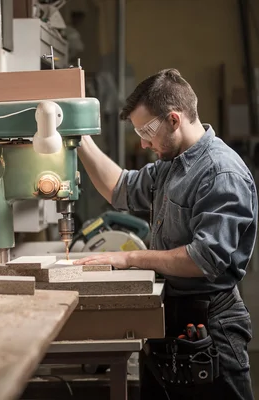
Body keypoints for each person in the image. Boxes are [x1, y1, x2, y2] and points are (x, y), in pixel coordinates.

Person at [73, 68, 256, 399]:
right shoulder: (171, 164)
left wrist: (130, 257)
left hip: (210, 323)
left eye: (147, 131)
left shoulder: (220, 173)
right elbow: (120, 188)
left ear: (174, 120)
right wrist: (78, 138)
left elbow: (202, 260)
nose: (143, 142)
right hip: (169, 316)